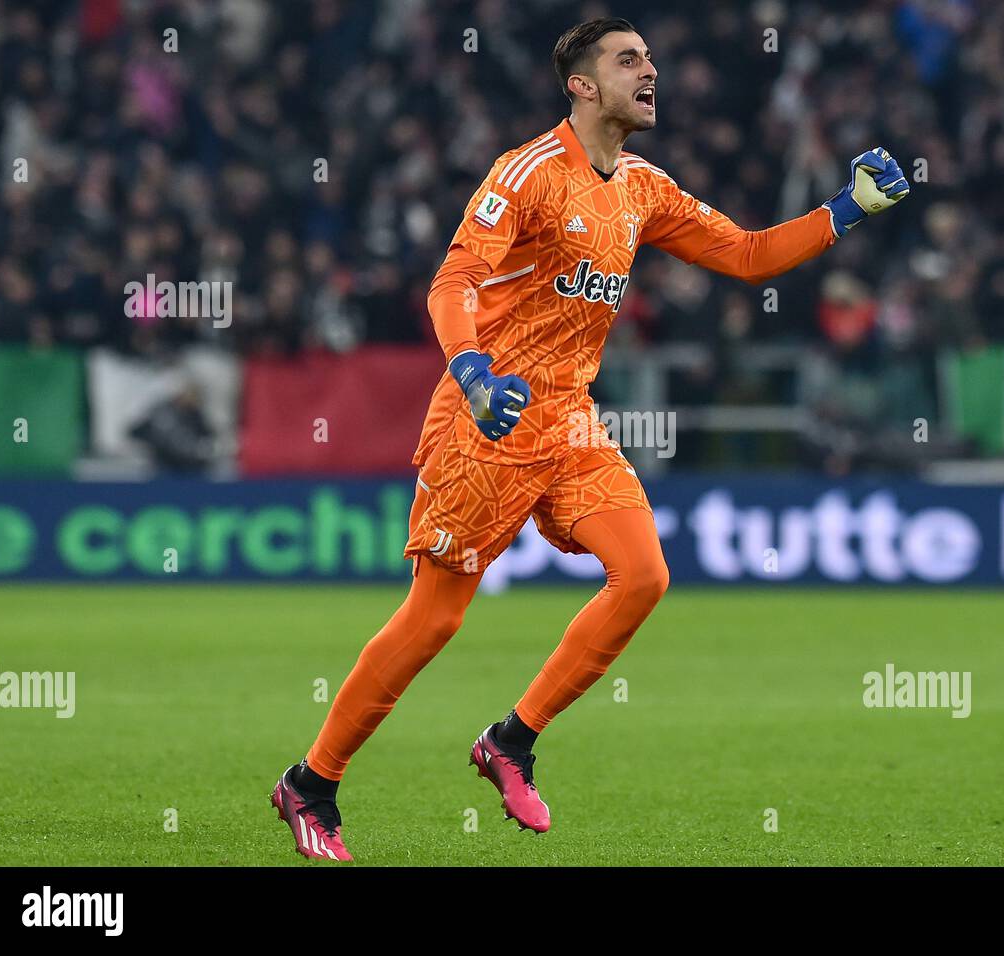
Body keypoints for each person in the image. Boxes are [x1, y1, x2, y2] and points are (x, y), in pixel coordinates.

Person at [270, 16, 910, 859]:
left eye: (650, 56)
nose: (651, 70)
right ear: (581, 83)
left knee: (643, 575)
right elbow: (452, 279)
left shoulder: (642, 186)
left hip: (570, 420)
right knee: (433, 622)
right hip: (485, 414)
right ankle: (312, 784)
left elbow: (749, 256)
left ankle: (511, 741)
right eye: (629, 60)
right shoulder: (528, 172)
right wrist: (471, 373)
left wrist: (846, 210)